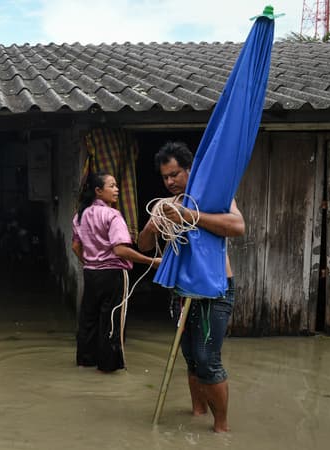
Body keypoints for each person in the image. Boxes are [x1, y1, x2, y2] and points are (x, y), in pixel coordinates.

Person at [138, 141, 244, 433]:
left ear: (190, 169)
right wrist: (153, 225)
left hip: (215, 289)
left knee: (207, 359)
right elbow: (143, 246)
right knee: (189, 355)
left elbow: (237, 227)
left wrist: (190, 216)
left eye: (175, 174)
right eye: (165, 177)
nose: (170, 182)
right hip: (182, 290)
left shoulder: (213, 197)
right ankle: (197, 412)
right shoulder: (165, 205)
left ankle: (221, 428)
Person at [72, 172, 161, 373]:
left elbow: (75, 247)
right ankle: (108, 367)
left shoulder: (79, 215)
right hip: (113, 274)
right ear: (98, 191)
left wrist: (91, 262)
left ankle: (85, 362)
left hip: (91, 274)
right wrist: (151, 261)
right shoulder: (112, 215)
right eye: (112, 186)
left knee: (89, 319)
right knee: (112, 320)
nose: (117, 190)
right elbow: (120, 250)